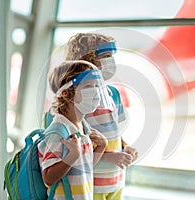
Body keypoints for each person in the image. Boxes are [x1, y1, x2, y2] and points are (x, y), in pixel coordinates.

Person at [65, 32, 139, 199]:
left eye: (112, 56)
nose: (110, 62)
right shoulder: (75, 99)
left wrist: (125, 148)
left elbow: (116, 134)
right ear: (86, 60)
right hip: (90, 185)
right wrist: (110, 157)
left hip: (116, 182)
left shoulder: (113, 94)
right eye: (105, 56)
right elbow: (71, 146)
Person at [38, 60, 108, 200]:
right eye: (88, 86)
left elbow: (83, 168)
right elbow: (48, 178)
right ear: (65, 93)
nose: (95, 91)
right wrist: (72, 155)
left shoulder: (82, 127)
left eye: (96, 85)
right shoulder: (58, 132)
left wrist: (101, 147)